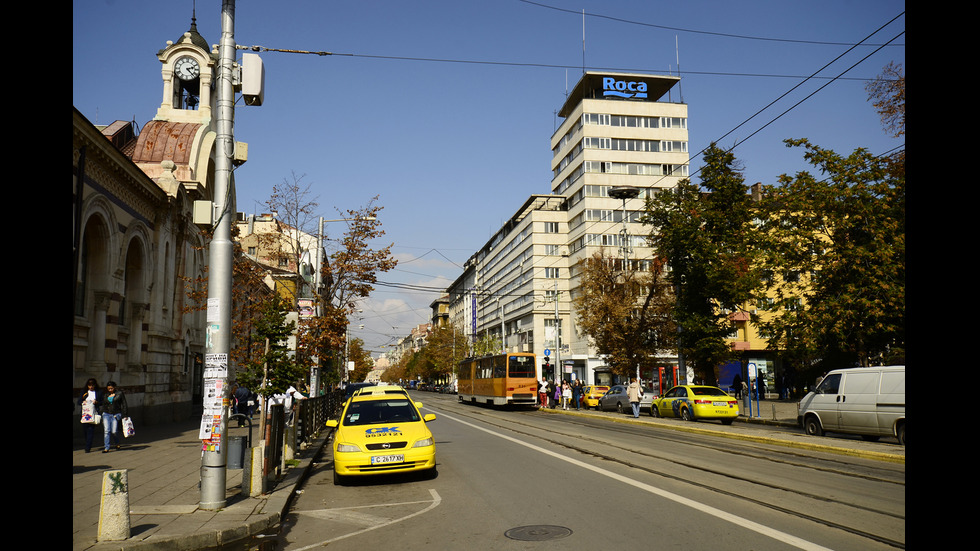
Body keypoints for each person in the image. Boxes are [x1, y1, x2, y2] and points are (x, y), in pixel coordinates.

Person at [101, 381, 128, 453]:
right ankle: (106, 447)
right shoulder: (106, 395)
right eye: (108, 389)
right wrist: (102, 414)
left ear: (114, 387)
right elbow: (104, 405)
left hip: (115, 414)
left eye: (111, 388)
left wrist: (125, 414)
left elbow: (124, 404)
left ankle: (117, 443)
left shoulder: (119, 394)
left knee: (114, 431)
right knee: (107, 430)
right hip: (106, 413)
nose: (110, 390)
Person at [77, 378, 103, 453]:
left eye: (92, 385)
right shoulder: (84, 392)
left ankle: (88, 447)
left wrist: (96, 402)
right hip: (85, 414)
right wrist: (83, 401)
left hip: (93, 413)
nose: (91, 387)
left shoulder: (98, 392)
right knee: (85, 430)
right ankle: (87, 442)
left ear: (95, 385)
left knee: (90, 430)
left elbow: (102, 402)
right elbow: (79, 402)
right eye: (89, 385)